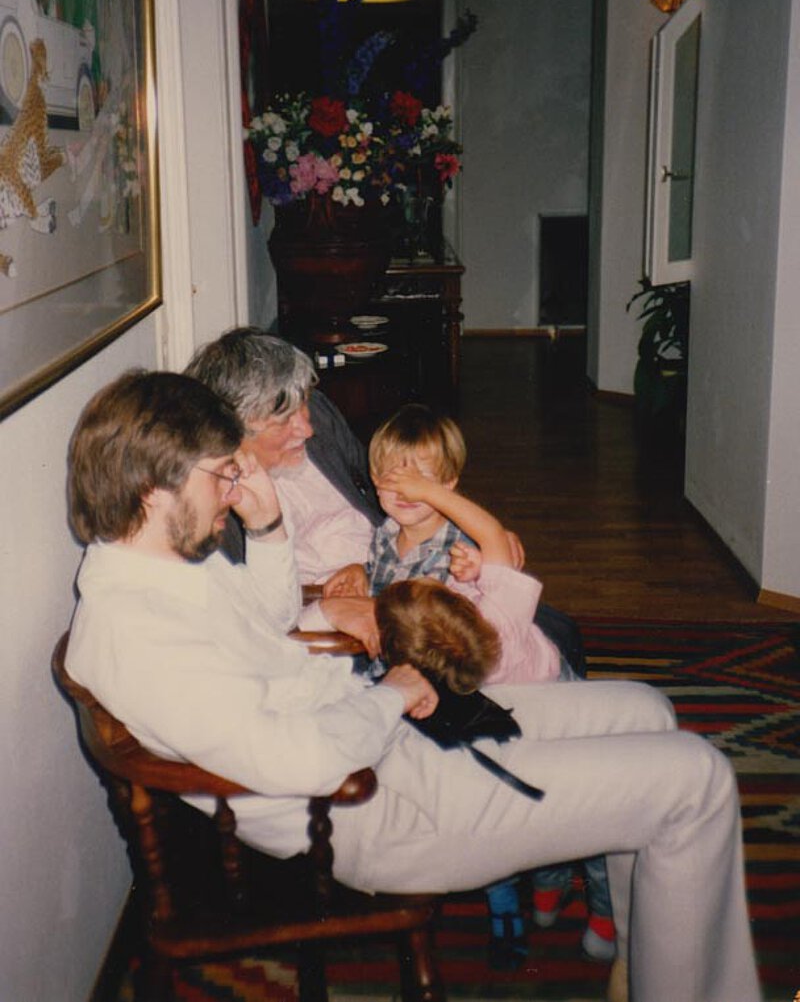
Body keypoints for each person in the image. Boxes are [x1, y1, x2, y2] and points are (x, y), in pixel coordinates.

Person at [65, 369, 763, 1002]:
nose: (233, 489)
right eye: (221, 475)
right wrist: (394, 691)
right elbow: (301, 760)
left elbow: (267, 621)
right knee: (696, 779)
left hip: (383, 737)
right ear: (157, 488)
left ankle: (654, 967)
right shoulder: (137, 632)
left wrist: (270, 523)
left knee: (646, 708)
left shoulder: (159, 568)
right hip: (378, 802)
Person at [331, 402, 614, 967]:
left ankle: (599, 898)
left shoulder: (469, 546)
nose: (405, 492)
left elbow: (497, 549)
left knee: (576, 791)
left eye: (424, 481)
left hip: (531, 682)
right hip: (464, 690)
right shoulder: (385, 536)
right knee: (511, 790)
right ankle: (541, 878)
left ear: (451, 487)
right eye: (391, 479)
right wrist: (361, 573)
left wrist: (477, 561)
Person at [184, 327, 586, 675]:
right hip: (360, 615)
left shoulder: (316, 415)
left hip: (400, 560)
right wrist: (332, 597)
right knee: (494, 661)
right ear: (233, 430)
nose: (306, 428)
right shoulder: (224, 502)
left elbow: (386, 488)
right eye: (284, 421)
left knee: (554, 630)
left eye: (304, 405)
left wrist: (476, 535)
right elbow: (262, 609)